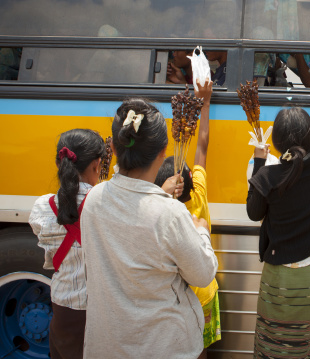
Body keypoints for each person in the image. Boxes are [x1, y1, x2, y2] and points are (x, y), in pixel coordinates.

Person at [81, 98, 218, 358]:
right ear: (163, 151)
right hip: (164, 346)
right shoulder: (169, 212)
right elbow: (203, 275)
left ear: (113, 146)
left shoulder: (94, 199)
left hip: (108, 345)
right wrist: (201, 231)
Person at [246, 66, 310, 358]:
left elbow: (254, 214)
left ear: (276, 143)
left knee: (276, 344)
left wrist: (260, 162)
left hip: (280, 282)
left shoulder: (267, 178)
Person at [155, 78, 220, 359]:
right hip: (205, 295)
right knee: (200, 349)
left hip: (175, 299)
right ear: (192, 179)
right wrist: (204, 102)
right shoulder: (200, 194)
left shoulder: (159, 210)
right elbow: (202, 147)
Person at [29, 129, 106, 359]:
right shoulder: (106, 204)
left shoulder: (42, 208)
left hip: (62, 314)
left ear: (59, 163)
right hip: (100, 315)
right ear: (97, 165)